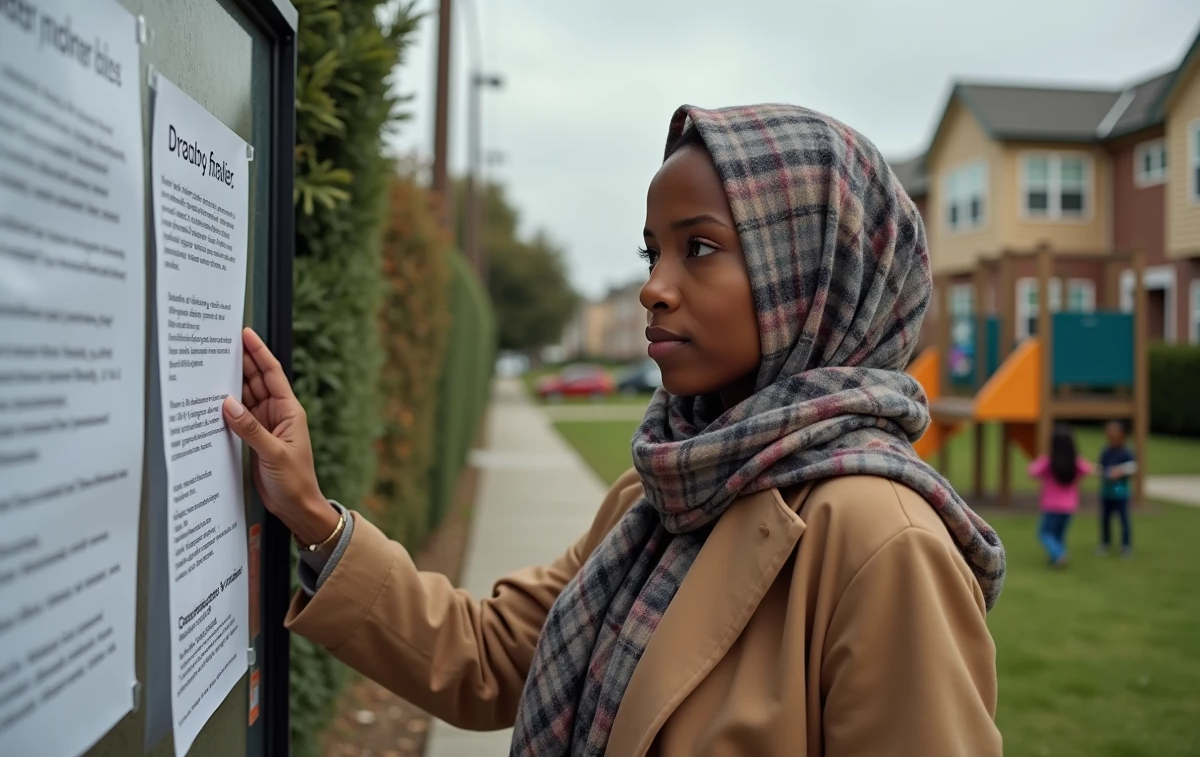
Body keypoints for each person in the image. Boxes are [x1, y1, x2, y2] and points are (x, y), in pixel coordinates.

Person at [222, 104, 1006, 755]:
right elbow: (490, 656)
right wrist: (313, 517)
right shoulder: (655, 493)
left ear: (814, 275)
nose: (654, 288)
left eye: (700, 248)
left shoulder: (883, 541)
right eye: (652, 252)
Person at [1029, 426, 1093, 568]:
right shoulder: (1075, 462)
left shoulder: (1048, 462)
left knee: (1045, 533)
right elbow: (1087, 470)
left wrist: (1042, 459)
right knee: (1059, 534)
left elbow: (1032, 471)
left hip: (1051, 506)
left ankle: (1059, 554)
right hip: (1069, 506)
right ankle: (1055, 558)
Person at [1097, 420, 1136, 557]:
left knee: (1123, 519)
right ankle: (1105, 543)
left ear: (1122, 434)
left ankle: (1126, 546)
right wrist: (1107, 472)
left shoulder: (1126, 452)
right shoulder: (1106, 451)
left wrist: (1120, 471)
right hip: (1107, 492)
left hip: (1121, 493)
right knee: (1105, 520)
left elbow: (1133, 467)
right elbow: (1100, 468)